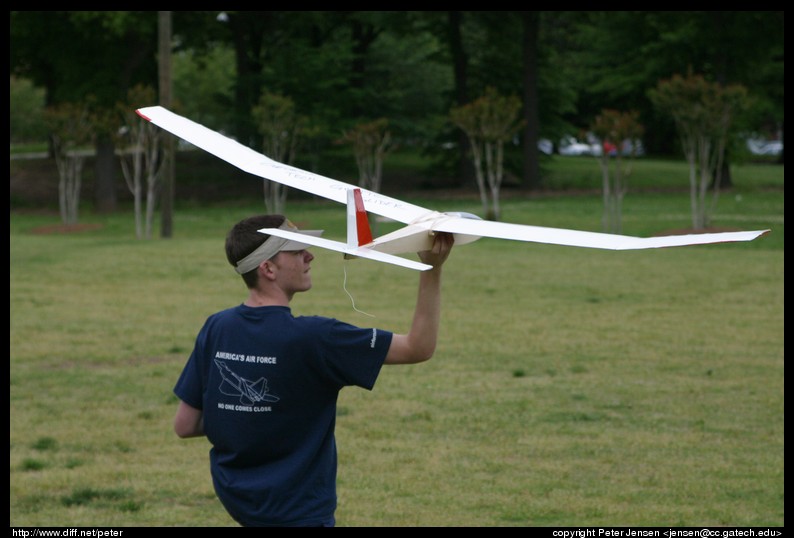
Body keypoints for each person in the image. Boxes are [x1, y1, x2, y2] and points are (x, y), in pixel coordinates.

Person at [172, 214, 454, 527]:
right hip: (300, 511)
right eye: (296, 251)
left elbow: (185, 424)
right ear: (268, 268)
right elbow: (419, 347)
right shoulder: (317, 337)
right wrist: (432, 267)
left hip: (239, 504)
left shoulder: (217, 326)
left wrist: (251, 417)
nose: (310, 255)